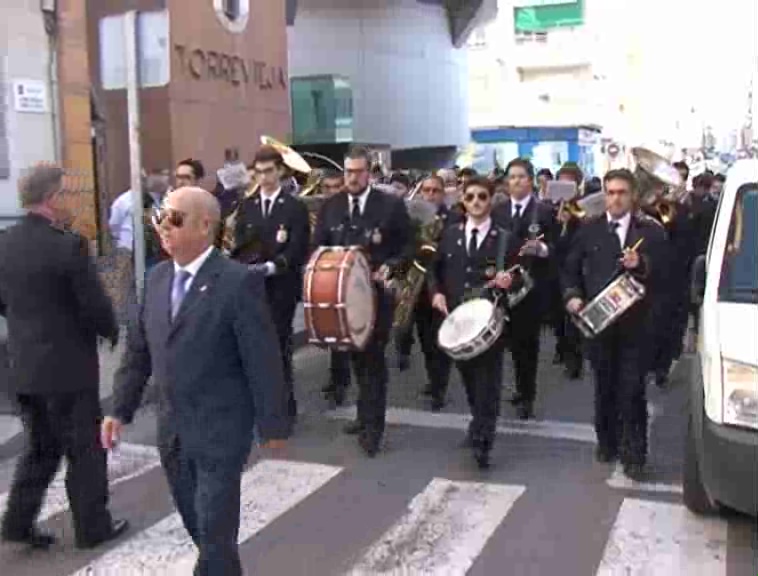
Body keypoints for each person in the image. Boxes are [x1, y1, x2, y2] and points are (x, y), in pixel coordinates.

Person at [102, 186, 288, 576]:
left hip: (221, 428)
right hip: (172, 430)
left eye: (174, 219)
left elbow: (263, 358)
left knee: (215, 531)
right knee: (200, 527)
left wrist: (273, 423)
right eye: (160, 218)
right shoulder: (155, 280)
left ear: (205, 226)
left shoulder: (237, 282)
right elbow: (138, 354)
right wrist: (119, 409)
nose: (163, 228)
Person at [0, 165, 128, 549]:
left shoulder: (3, 243)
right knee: (86, 450)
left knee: (40, 446)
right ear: (52, 198)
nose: (69, 201)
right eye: (65, 194)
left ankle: (17, 524)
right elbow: (93, 304)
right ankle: (92, 528)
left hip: (23, 366)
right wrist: (110, 329)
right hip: (69, 369)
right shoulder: (68, 245)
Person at [562, 169, 665, 480]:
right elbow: (570, 270)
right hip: (599, 325)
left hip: (636, 327)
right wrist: (572, 297)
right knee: (605, 388)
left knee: (632, 390)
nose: (615, 198)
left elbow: (666, 275)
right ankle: (606, 441)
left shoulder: (652, 232)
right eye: (610, 192)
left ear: (633, 196)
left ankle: (635, 455)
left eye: (621, 192)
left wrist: (641, 264)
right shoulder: (589, 230)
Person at [313, 146, 411, 456]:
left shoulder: (390, 206)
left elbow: (410, 246)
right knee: (355, 356)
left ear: (369, 173)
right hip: (341, 297)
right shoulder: (331, 205)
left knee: (373, 360)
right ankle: (363, 413)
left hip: (376, 295)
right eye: (348, 171)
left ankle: (373, 429)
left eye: (357, 171)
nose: (352, 177)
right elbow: (318, 248)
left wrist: (392, 266)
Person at [430, 176, 515, 469]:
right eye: (470, 197)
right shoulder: (450, 234)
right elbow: (435, 270)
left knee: (488, 383)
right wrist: (436, 293)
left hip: (490, 321)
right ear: (462, 202)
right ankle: (478, 421)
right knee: (468, 378)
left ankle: (483, 440)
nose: (476, 202)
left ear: (491, 201)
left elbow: (523, 277)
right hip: (457, 320)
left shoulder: (504, 237)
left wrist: (509, 282)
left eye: (482, 197)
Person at [231, 145, 310, 426]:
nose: (263, 178)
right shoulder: (247, 206)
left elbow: (300, 246)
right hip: (253, 288)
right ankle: (260, 407)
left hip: (280, 287)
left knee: (279, 347)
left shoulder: (294, 206)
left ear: (280, 171)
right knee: (254, 349)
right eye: (259, 172)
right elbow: (239, 242)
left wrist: (275, 265)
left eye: (268, 171)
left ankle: (283, 410)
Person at [492, 158, 556, 419]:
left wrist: (543, 249)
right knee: (499, 342)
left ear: (530, 181)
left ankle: (526, 394)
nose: (515, 181)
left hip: (530, 288)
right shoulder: (498, 211)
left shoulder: (543, 212)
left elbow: (557, 246)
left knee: (526, 347)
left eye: (520, 176)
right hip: (503, 285)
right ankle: (503, 391)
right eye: (511, 176)